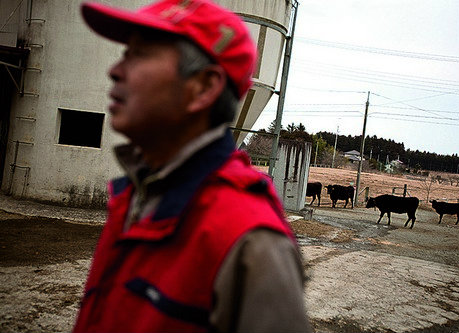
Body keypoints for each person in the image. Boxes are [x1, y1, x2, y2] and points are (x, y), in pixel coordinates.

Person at [73, 0, 311, 332]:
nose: (115, 70)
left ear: (203, 87)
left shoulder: (250, 242)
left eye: (139, 54)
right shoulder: (135, 195)